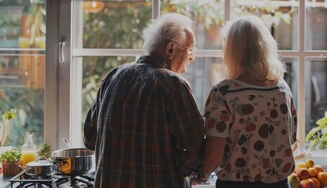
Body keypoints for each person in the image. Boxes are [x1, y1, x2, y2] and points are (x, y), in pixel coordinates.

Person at [83, 13, 205, 188]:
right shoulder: (174, 85)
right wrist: (179, 172)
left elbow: (89, 138)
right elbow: (195, 148)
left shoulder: (113, 76)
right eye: (190, 49)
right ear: (170, 49)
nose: (192, 57)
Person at [195, 15, 297, 188]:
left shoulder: (223, 93)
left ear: (231, 51)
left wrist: (200, 177)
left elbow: (214, 156)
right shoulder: (282, 90)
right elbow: (291, 139)